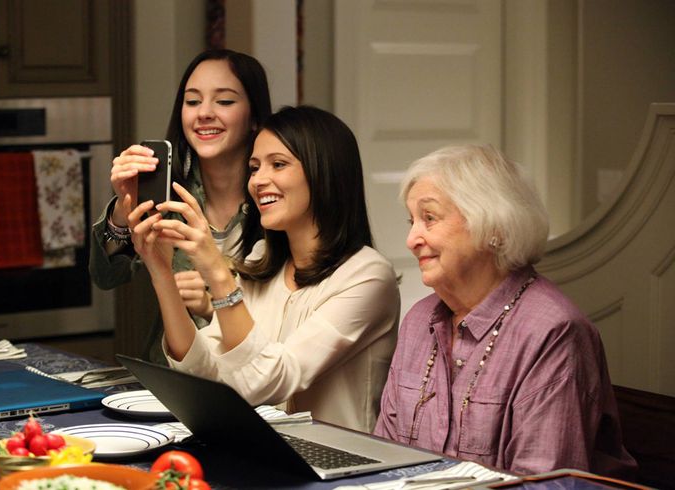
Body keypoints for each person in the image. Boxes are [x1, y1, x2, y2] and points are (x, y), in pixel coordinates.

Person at [128, 106, 399, 432]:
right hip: (266, 452)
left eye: (279, 165)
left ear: (325, 173)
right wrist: (161, 272)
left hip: (344, 468)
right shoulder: (261, 261)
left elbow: (269, 381)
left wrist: (216, 270)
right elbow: (200, 375)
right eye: (254, 168)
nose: (258, 180)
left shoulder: (367, 276)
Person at [373, 145, 637, 476]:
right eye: (411, 221)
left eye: (429, 218)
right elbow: (383, 460)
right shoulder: (418, 321)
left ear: (493, 226)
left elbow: (542, 484)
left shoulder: (553, 332)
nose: (411, 239)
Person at [89, 49, 272, 362]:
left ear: (254, 116)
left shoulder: (273, 199)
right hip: (173, 377)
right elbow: (106, 277)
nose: (204, 113)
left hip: (257, 382)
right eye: (192, 101)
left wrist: (213, 304)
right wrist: (124, 208)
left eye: (224, 101)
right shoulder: (166, 194)